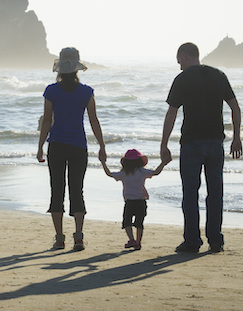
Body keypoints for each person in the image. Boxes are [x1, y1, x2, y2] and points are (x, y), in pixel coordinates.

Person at [159, 42, 242, 254]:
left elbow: (172, 113)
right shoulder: (218, 75)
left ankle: (192, 241)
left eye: (179, 62)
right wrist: (236, 138)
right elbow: (235, 107)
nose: (179, 66)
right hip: (215, 142)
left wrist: (164, 144)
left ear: (185, 57)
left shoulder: (183, 79)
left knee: (190, 193)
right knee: (215, 193)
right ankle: (215, 241)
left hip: (191, 142)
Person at [37, 47, 107, 251]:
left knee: (56, 190)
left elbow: (47, 120)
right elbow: (94, 120)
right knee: (77, 190)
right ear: (77, 68)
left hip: (56, 145)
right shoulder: (86, 92)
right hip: (78, 146)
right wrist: (102, 146)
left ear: (59, 69)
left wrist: (40, 146)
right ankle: (78, 238)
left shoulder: (51, 91)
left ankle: (59, 238)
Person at [101, 149, 166, 250]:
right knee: (139, 223)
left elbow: (109, 173)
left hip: (129, 202)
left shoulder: (123, 173)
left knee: (127, 222)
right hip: (141, 201)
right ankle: (138, 242)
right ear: (140, 161)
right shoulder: (142, 171)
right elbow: (156, 172)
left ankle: (131, 239)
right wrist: (163, 163)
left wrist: (103, 163)